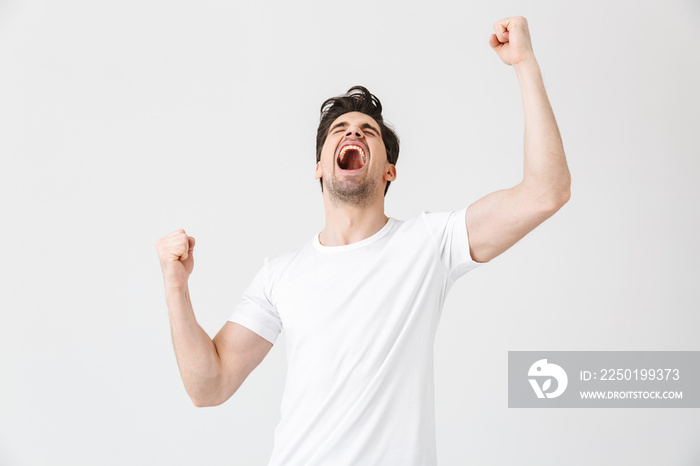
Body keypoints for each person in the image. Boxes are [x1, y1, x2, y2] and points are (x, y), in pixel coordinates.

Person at [155, 16, 570, 466]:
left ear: (389, 171)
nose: (353, 132)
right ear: (319, 167)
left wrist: (525, 64)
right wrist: (176, 288)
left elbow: (546, 191)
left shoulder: (431, 242)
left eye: (367, 130)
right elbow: (208, 386)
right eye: (341, 129)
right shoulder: (280, 274)